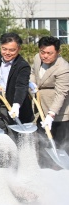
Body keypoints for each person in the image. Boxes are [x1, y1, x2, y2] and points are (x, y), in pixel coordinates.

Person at [0, 32, 33, 143]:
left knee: (14, 137)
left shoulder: (23, 65)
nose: (7, 53)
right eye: (4, 49)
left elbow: (21, 86)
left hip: (16, 105)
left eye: (12, 50)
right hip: (0, 101)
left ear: (18, 49)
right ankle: (1, 160)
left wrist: (16, 105)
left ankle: (16, 160)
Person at [29, 36, 68, 168]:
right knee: (43, 144)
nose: (45, 56)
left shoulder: (63, 68)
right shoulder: (37, 58)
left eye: (49, 53)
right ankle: (44, 171)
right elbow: (33, 72)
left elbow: (60, 94)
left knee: (59, 145)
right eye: (42, 52)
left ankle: (61, 174)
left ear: (57, 52)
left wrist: (51, 115)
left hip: (60, 114)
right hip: (42, 109)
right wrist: (32, 84)